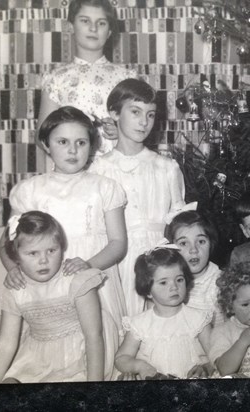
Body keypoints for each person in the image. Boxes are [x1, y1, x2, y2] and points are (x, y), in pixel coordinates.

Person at [0, 106, 128, 380]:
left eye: (81, 143)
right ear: (47, 145)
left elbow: (118, 243)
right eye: (63, 142)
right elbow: (7, 243)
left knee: (93, 345)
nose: (73, 150)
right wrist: (13, 269)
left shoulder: (105, 187)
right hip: (43, 280)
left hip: (91, 272)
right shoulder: (29, 190)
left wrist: (88, 265)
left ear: (91, 146)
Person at [89, 78, 186, 316]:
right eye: (135, 112)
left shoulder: (166, 167)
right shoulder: (99, 169)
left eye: (151, 114)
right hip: (117, 259)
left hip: (160, 260)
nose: (144, 122)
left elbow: (180, 221)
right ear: (114, 113)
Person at [0, 211, 104, 383]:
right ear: (16, 257)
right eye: (33, 253)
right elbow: (6, 341)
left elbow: (93, 336)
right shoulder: (15, 289)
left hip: (79, 354)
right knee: (8, 385)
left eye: (51, 250)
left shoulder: (77, 281)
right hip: (37, 355)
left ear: (62, 247)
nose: (44, 260)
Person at [38, 0, 136, 156]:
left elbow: (140, 129)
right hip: (73, 173)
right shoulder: (56, 79)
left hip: (116, 171)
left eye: (101, 23)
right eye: (85, 21)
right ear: (71, 27)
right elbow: (42, 136)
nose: (93, 28)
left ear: (110, 31)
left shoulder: (127, 78)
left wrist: (123, 133)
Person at [114, 244, 214, 379]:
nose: (174, 287)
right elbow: (121, 358)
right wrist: (139, 366)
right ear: (148, 290)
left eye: (179, 279)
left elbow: (217, 355)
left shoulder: (198, 319)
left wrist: (206, 368)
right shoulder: (139, 324)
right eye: (163, 282)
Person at [165, 208, 225, 326]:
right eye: (183, 243)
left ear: (211, 243)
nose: (194, 250)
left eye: (201, 241)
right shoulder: (168, 281)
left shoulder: (221, 283)